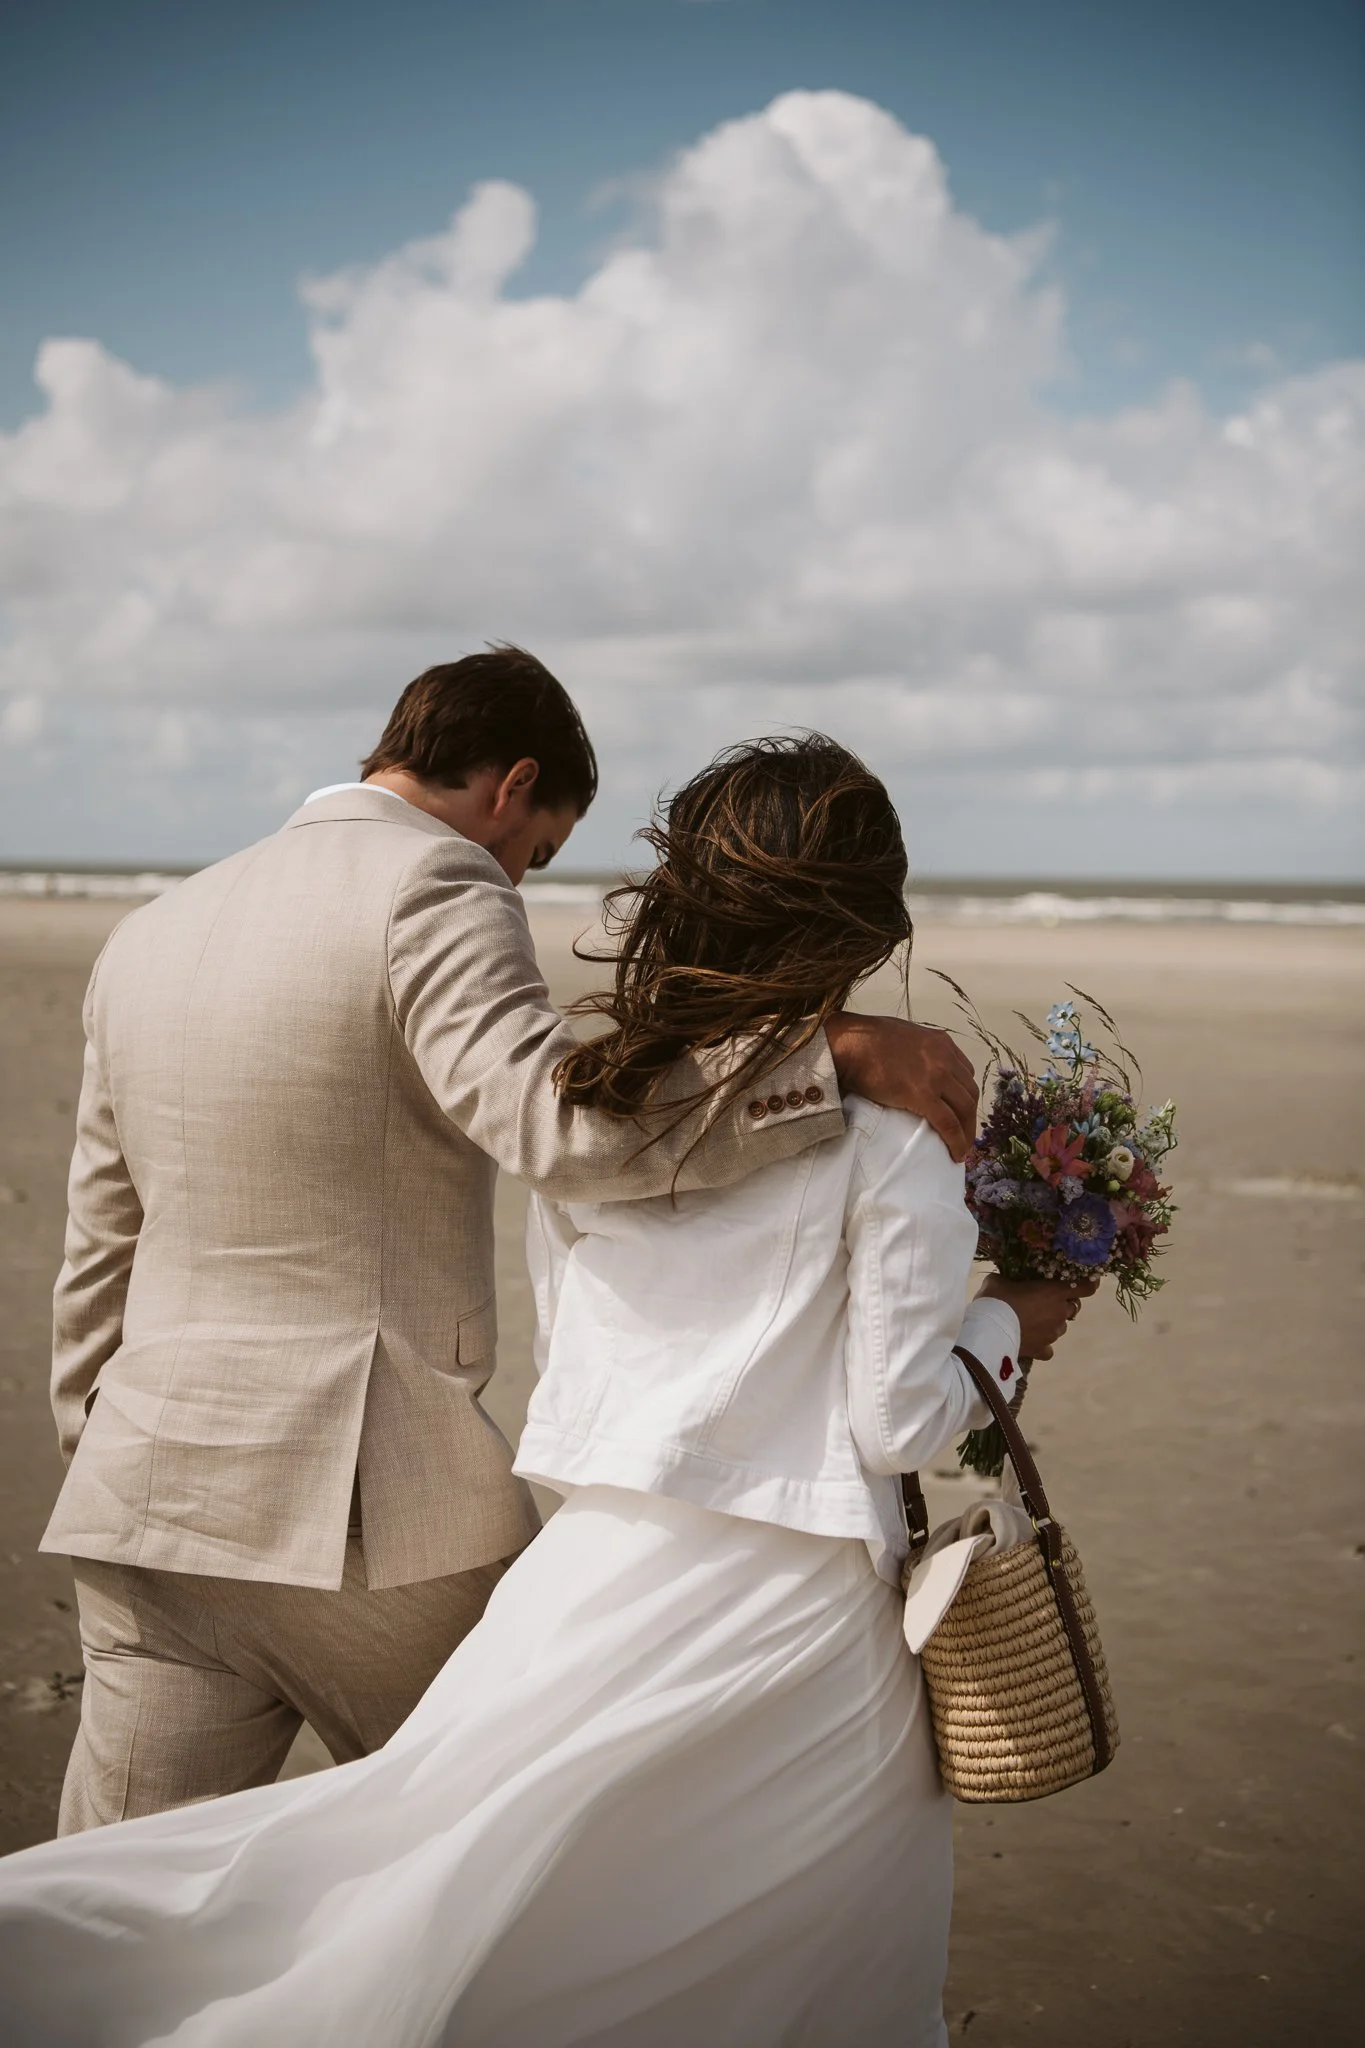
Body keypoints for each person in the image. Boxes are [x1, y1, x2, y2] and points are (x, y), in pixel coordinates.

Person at [0, 733, 1083, 2048]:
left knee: (406, 1890)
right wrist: (1016, 1319)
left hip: (575, 1575)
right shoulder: (898, 1133)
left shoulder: (605, 1105)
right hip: (789, 1619)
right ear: (868, 918)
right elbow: (897, 1423)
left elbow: (574, 1343)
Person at [39, 649, 979, 1834]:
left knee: (107, 1899)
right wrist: (823, 1056)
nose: (520, 879)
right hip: (359, 1515)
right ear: (511, 785)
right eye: (535, 851)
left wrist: (103, 1443)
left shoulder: (151, 931)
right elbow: (555, 1126)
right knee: (526, 1869)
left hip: (141, 1499)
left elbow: (98, 1249)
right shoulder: (434, 882)